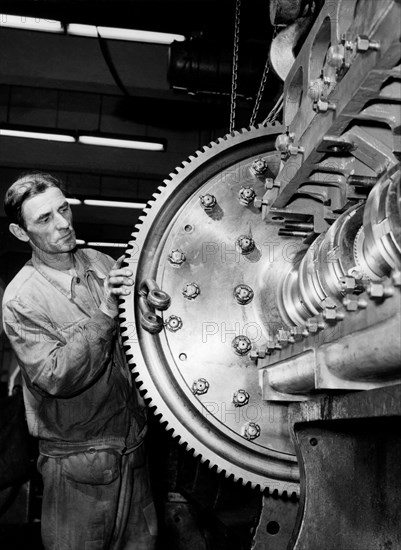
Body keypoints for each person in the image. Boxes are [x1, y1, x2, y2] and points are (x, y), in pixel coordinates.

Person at [2, 171, 158, 550]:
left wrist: (146, 303)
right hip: (77, 465)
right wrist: (106, 310)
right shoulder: (21, 299)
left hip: (134, 448)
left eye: (64, 209)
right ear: (21, 233)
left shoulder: (99, 262)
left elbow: (134, 340)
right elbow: (56, 377)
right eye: (44, 219)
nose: (63, 224)